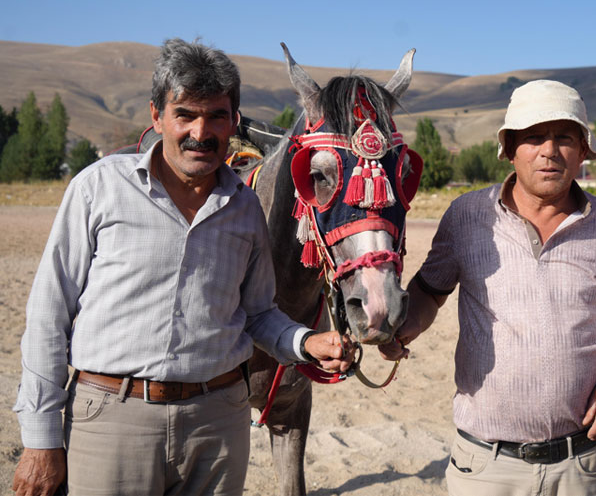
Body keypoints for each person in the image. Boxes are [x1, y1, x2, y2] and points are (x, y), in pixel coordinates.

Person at [12, 38, 354, 496]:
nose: (201, 131)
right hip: (112, 418)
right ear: (157, 116)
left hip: (217, 426)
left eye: (216, 116)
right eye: (185, 115)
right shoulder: (97, 189)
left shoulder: (245, 207)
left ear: (234, 121)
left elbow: (257, 314)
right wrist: (39, 440)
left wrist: (306, 341)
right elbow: (48, 317)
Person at [380, 80, 596, 496]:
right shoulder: (468, 216)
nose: (549, 151)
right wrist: (404, 327)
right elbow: (431, 291)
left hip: (580, 461)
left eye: (564, 138)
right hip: (486, 464)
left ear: (582, 150)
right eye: (534, 137)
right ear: (511, 149)